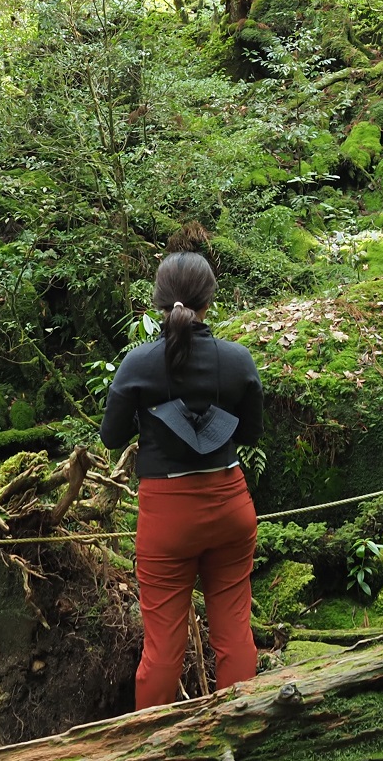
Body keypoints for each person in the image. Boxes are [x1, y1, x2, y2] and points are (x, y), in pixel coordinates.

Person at [100, 248, 264, 709]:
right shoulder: (238, 360)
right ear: (211, 300)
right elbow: (251, 433)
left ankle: (153, 746)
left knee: (163, 653)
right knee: (235, 637)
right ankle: (244, 735)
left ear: (158, 303)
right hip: (230, 504)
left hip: (167, 516)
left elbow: (112, 437)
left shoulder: (136, 364)